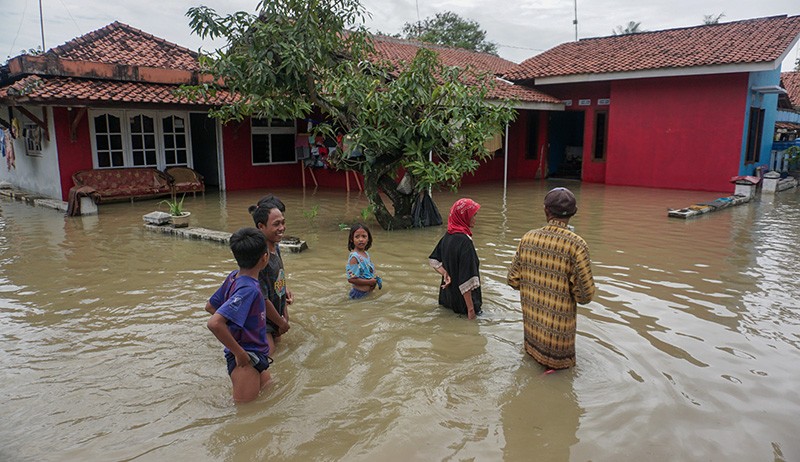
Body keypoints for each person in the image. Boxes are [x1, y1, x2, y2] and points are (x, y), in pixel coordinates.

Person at [507, 187, 596, 370]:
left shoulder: (528, 238)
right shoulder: (577, 245)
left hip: (531, 336)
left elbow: (513, 279)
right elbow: (585, 296)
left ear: (546, 210)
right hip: (558, 343)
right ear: (574, 212)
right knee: (559, 377)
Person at [205, 228, 272, 403]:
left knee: (270, 391)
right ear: (264, 257)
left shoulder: (234, 277)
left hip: (255, 354)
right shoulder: (249, 290)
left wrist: (236, 326)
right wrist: (240, 353)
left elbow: (211, 306)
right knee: (245, 416)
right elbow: (214, 323)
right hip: (246, 359)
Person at [429, 198, 482, 320]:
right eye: (473, 215)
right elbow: (467, 279)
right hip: (462, 305)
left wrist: (445, 274)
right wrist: (471, 310)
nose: (475, 219)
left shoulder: (448, 236)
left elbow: (434, 260)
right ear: (464, 216)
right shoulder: (465, 242)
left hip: (447, 300)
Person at [249, 201, 290, 355]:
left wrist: (284, 312)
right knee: (269, 358)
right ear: (261, 227)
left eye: (283, 223)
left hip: (275, 317)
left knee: (280, 354)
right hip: (261, 321)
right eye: (276, 224)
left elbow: (279, 279)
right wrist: (282, 323)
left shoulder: (275, 247)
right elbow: (262, 298)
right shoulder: (260, 258)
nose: (282, 228)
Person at [345, 223, 382, 299]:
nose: (361, 239)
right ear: (351, 239)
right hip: (358, 294)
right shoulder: (354, 258)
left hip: (367, 293)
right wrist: (370, 282)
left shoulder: (366, 254)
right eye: (357, 237)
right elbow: (351, 279)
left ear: (368, 239)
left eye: (364, 236)